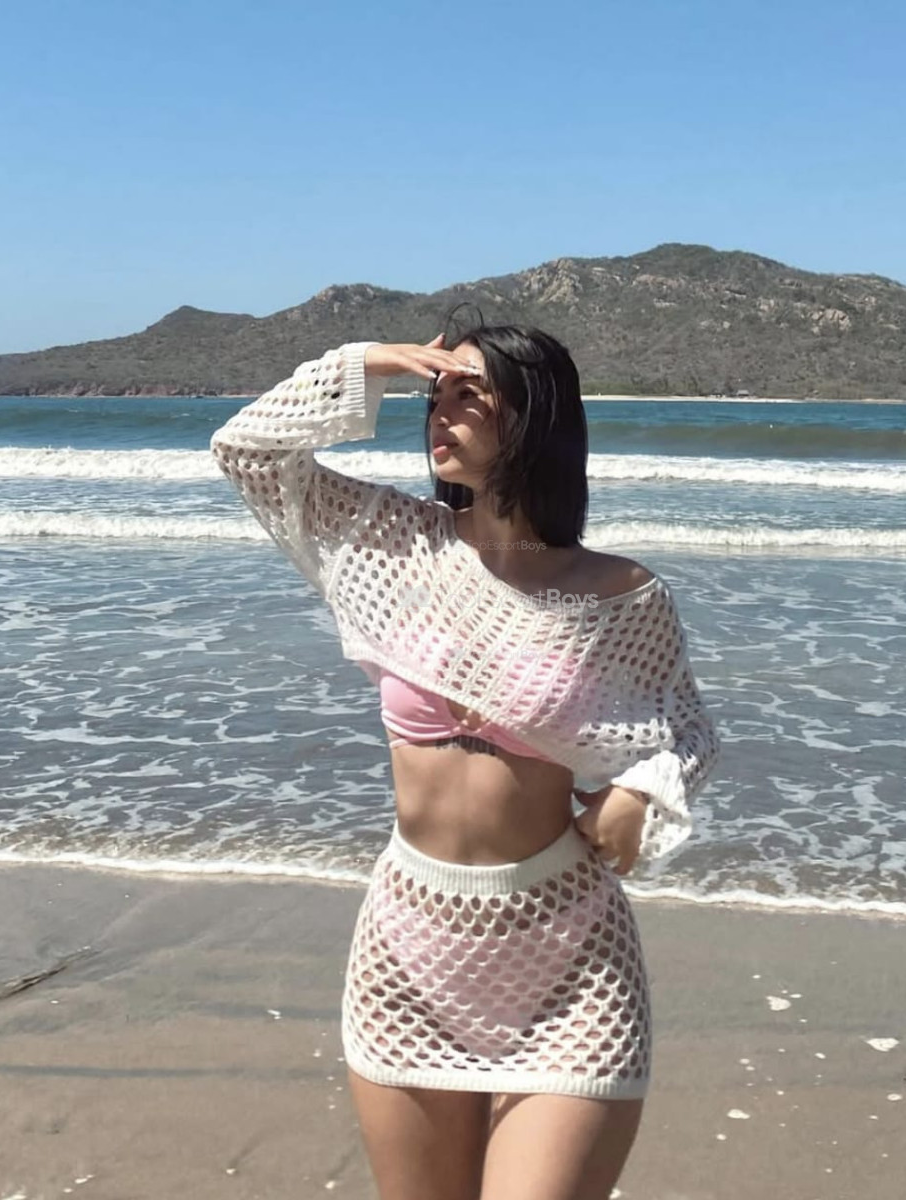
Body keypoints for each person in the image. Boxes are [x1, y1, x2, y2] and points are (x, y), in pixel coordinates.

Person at [210, 325, 719, 1200]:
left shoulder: (620, 597)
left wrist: (642, 789)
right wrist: (365, 363)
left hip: (568, 959)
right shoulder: (393, 542)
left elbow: (686, 733)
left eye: (468, 394)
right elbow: (248, 452)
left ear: (534, 415)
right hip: (409, 949)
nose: (439, 414)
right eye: (434, 397)